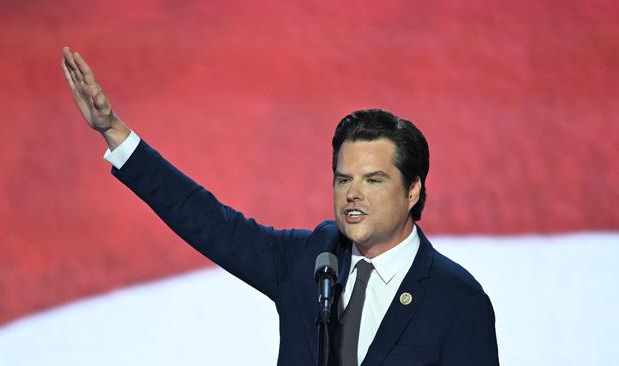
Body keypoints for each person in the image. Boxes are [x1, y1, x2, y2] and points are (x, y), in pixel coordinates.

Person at [61, 46, 499, 366]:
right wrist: (115, 133)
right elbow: (211, 223)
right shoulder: (312, 259)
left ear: (413, 191)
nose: (352, 193)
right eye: (343, 179)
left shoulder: (456, 300)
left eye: (373, 180)